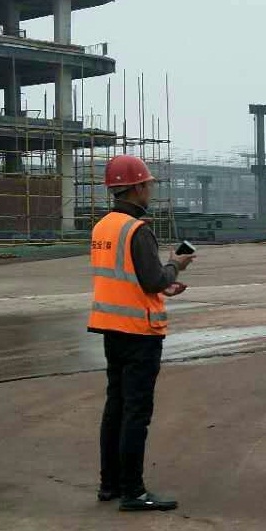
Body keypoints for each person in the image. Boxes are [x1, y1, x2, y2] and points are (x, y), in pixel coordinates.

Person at [89, 154, 193, 512]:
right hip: (139, 331)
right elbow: (153, 279)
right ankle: (133, 491)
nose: (150, 189)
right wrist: (175, 266)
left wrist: (162, 285)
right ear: (136, 188)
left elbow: (127, 278)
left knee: (115, 407)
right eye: (148, 184)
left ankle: (110, 484)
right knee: (136, 412)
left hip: (111, 327)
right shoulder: (137, 230)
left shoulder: (102, 227)